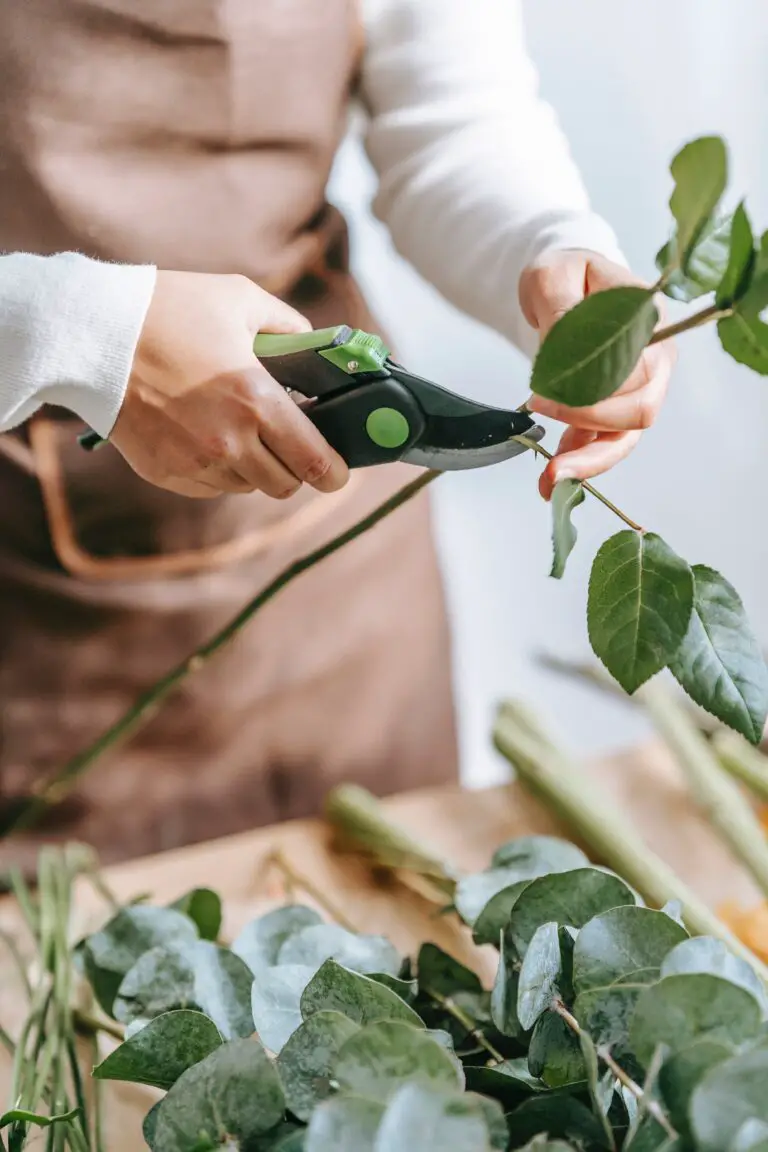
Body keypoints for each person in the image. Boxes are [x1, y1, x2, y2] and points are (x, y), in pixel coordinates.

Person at [0, 0, 673, 867]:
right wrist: (80, 333)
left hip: (345, 593)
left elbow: (454, 121)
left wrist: (550, 247)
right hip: (33, 619)